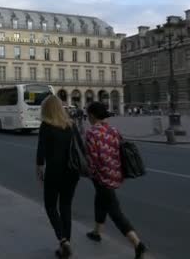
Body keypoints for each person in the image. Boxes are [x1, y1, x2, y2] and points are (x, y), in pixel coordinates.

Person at [84, 102, 147, 259]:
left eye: (88, 114)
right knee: (100, 200)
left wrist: (89, 173)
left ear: (92, 115)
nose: (87, 117)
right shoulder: (114, 130)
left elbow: (92, 159)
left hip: (101, 176)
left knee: (114, 211)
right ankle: (97, 232)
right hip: (115, 172)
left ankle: (137, 244)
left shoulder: (91, 133)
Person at [36, 95, 80, 258]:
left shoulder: (46, 126)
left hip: (54, 171)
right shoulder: (71, 125)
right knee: (66, 207)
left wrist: (39, 169)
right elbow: (80, 148)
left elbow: (41, 153)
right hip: (72, 171)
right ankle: (65, 242)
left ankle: (63, 240)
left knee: (50, 206)